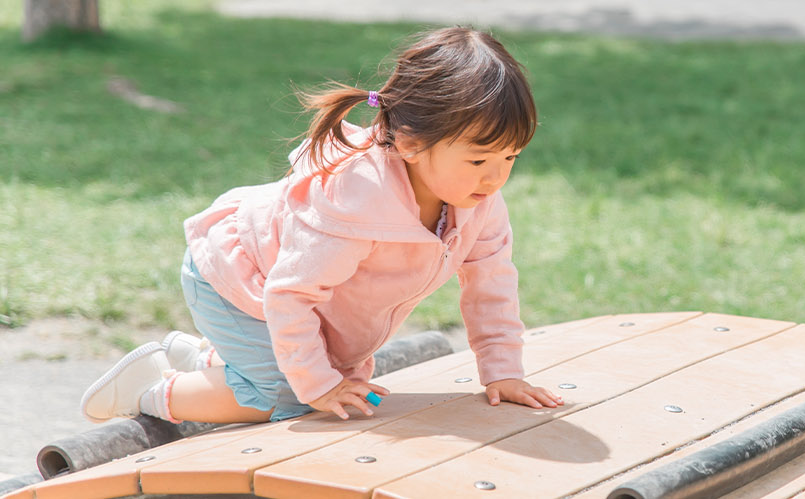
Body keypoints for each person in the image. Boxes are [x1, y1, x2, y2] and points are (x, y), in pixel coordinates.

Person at [79, 26, 563, 425]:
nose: (496, 177)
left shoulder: (478, 201)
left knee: (330, 382)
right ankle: (146, 388)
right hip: (239, 278)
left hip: (292, 296)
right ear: (411, 143)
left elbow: (491, 284)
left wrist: (503, 371)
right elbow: (289, 295)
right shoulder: (354, 201)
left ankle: (202, 361)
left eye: (511, 157)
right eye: (479, 159)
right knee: (289, 398)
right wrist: (319, 386)